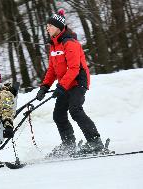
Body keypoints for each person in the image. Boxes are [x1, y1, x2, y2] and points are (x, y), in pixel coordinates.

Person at [36, 10, 104, 157]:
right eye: (47, 26)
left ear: (59, 27)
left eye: (50, 26)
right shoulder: (53, 46)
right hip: (66, 84)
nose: (47, 28)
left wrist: (61, 86)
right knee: (58, 115)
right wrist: (44, 87)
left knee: (75, 109)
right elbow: (52, 70)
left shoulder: (70, 43)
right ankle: (69, 145)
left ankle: (95, 142)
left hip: (78, 82)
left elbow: (74, 68)